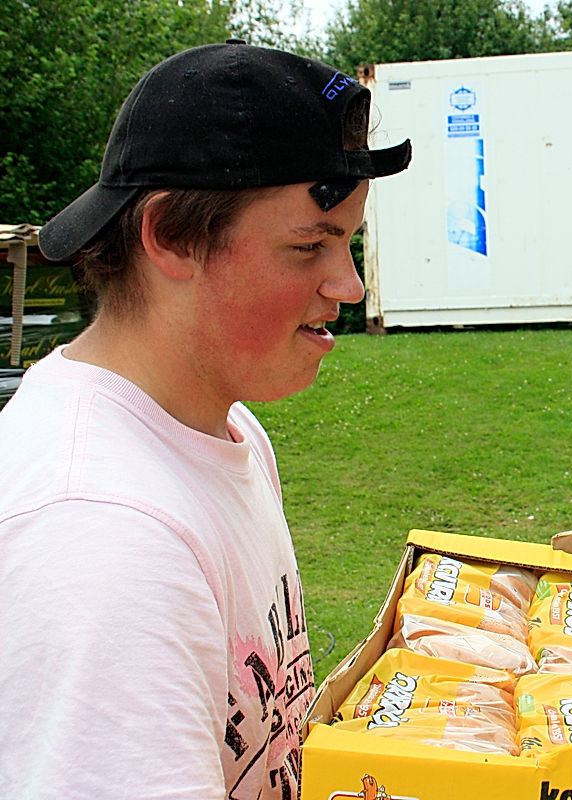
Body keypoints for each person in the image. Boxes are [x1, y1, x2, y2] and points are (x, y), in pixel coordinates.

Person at [0, 41, 411, 798]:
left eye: (348, 242)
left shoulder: (229, 432)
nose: (349, 285)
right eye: (309, 245)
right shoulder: (102, 535)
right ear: (171, 236)